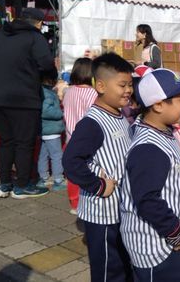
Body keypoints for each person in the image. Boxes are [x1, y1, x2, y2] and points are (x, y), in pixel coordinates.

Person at [62, 53, 133, 282]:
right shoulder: (93, 122)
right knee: (107, 270)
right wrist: (98, 185)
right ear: (100, 85)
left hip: (121, 210)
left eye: (130, 84)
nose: (128, 90)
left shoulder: (121, 116)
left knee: (123, 264)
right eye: (122, 85)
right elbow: (70, 161)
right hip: (102, 213)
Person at [120, 69, 180, 280]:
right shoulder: (149, 147)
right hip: (156, 245)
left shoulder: (163, 130)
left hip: (168, 238)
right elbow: (147, 199)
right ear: (158, 105)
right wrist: (176, 232)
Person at [0, 8, 54, 199]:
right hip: (24, 98)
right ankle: (23, 185)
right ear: (39, 23)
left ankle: (4, 184)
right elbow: (47, 63)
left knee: (6, 141)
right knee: (24, 143)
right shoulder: (34, 37)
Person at [62, 57, 97, 214]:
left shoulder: (68, 91)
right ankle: (85, 202)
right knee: (87, 171)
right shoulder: (92, 94)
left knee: (72, 172)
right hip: (87, 140)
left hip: (70, 137)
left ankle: (74, 203)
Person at [37, 68, 66, 191]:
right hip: (51, 130)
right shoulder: (47, 93)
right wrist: (60, 112)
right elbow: (46, 110)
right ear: (50, 80)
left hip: (44, 130)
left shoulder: (41, 91)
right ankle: (58, 179)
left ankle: (43, 177)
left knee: (43, 154)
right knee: (56, 155)